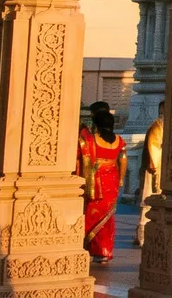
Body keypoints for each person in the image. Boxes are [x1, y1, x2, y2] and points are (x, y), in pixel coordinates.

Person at [76, 105, 126, 265]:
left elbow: (81, 154)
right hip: (112, 178)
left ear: (96, 123)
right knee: (107, 217)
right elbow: (123, 160)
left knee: (91, 212)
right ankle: (104, 251)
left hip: (96, 180)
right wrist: (121, 179)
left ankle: (82, 244)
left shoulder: (91, 140)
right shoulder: (119, 140)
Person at [135, 114, 164, 248]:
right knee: (147, 200)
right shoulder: (158, 126)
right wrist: (156, 166)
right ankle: (143, 234)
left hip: (164, 168)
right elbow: (154, 147)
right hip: (154, 168)